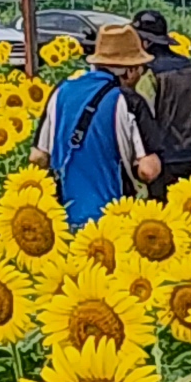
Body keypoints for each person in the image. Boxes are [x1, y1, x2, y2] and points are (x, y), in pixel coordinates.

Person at [37, 20, 153, 227]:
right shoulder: (127, 100)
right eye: (140, 69)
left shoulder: (61, 91)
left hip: (63, 219)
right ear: (129, 70)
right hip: (113, 218)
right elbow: (147, 170)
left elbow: (38, 157)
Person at [129, 8, 191, 197]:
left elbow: (144, 117)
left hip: (165, 159)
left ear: (145, 42)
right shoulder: (189, 66)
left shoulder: (149, 72)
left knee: (164, 212)